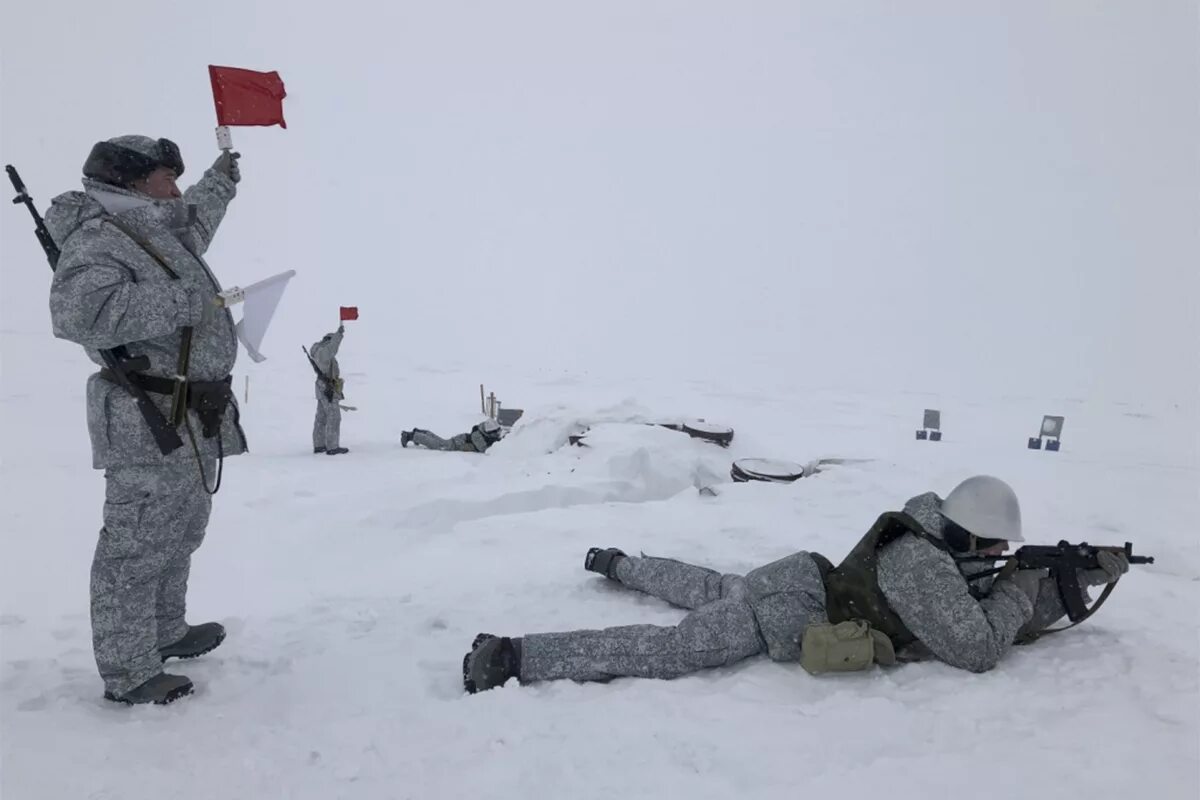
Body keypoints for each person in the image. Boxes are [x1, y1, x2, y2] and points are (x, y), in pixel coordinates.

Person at [462, 475, 1131, 693]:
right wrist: (1023, 586)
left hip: (794, 580)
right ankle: (516, 654)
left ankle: (615, 563)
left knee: (706, 583)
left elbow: (985, 601)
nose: (999, 557)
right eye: (996, 548)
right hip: (783, 608)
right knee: (670, 649)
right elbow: (978, 646)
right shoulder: (922, 565)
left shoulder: (932, 538)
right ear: (970, 536)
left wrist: (1079, 573)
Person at [47, 135, 247, 704]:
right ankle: (129, 670)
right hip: (146, 417)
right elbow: (81, 315)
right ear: (133, 182)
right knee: (135, 545)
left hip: (190, 415)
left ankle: (165, 630)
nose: (177, 190)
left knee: (181, 529)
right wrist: (186, 301)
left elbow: (200, 216)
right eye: (167, 178)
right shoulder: (98, 237)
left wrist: (223, 177)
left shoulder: (157, 228)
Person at [309, 325, 348, 455]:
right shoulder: (324, 353)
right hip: (326, 388)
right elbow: (332, 348)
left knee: (321, 417)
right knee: (334, 417)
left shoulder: (318, 352)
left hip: (322, 388)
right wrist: (339, 335)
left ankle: (319, 444)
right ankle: (332, 446)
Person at [401, 419, 503, 453]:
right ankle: (411, 436)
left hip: (460, 440)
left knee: (439, 441)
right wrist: (495, 444)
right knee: (438, 445)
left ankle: (420, 432)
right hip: (458, 443)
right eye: (495, 433)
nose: (497, 434)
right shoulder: (478, 436)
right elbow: (483, 449)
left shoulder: (485, 431)